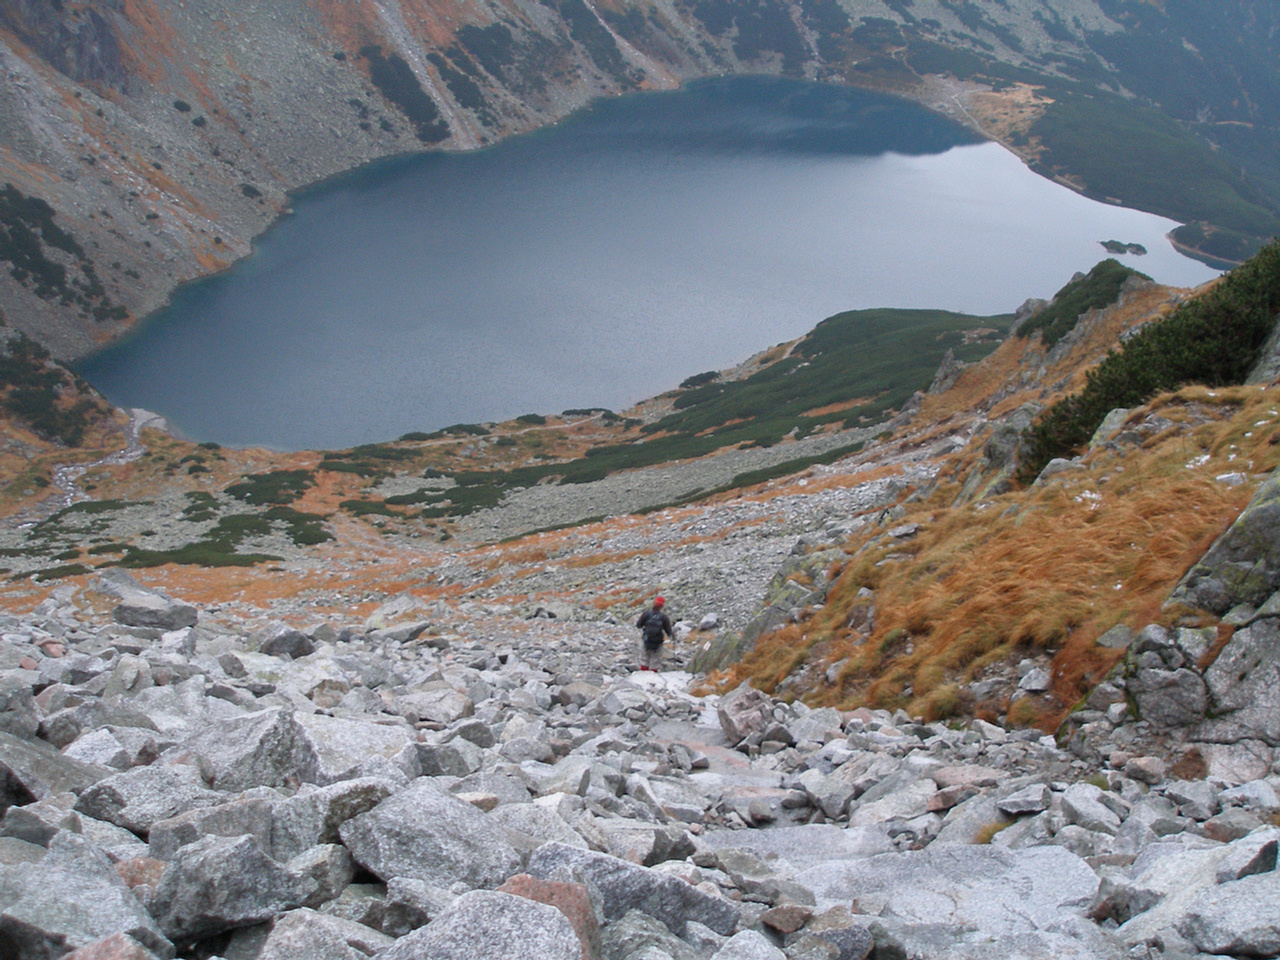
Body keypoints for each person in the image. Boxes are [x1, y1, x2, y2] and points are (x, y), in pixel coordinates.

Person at [635, 596, 673, 671]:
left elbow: (638, 625)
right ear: (662, 606)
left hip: (646, 639)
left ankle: (643, 673)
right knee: (656, 660)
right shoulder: (664, 617)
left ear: (654, 603)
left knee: (644, 658)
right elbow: (669, 631)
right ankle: (653, 674)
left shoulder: (646, 614)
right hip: (658, 641)